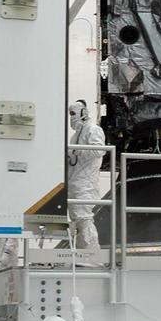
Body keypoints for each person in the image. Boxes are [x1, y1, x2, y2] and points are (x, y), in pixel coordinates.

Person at [67, 100, 104, 248]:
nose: (71, 117)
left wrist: (78, 150)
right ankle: (81, 259)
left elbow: (99, 150)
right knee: (77, 221)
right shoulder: (75, 136)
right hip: (74, 183)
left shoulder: (93, 129)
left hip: (85, 184)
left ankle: (92, 257)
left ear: (83, 113)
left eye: (73, 114)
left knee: (84, 219)